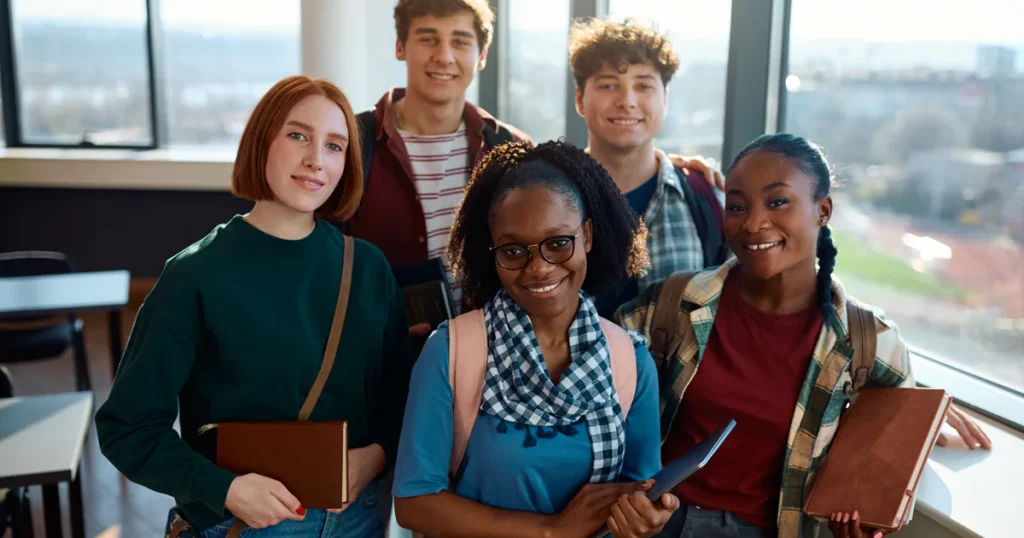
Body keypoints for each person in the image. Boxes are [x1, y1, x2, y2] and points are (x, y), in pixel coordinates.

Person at [616, 134, 991, 538]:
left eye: (777, 202)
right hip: (657, 524)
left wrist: (866, 520)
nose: (754, 222)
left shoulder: (867, 340)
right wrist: (621, 500)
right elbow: (593, 422)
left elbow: (889, 457)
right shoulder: (670, 306)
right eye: (738, 205)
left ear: (823, 210)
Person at [95, 75, 414, 538]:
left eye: (335, 146)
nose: (315, 160)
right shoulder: (194, 275)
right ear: (262, 140)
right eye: (298, 135)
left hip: (357, 517)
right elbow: (127, 427)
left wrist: (378, 453)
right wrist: (223, 488)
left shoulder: (367, 267)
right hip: (240, 523)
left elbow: (399, 394)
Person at [391, 141, 678, 538]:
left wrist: (646, 518)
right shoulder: (452, 352)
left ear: (588, 235)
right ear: (492, 254)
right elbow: (414, 502)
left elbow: (637, 494)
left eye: (558, 243)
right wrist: (551, 531)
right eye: (513, 251)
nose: (539, 268)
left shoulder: (629, 361)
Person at [345, 0, 531, 327]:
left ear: (482, 56)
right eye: (428, 38)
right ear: (400, 47)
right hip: (377, 360)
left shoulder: (512, 149)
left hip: (489, 359)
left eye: (460, 41)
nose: (444, 56)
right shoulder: (351, 143)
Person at [568, 18, 731, 318]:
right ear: (580, 99)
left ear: (665, 100)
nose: (627, 101)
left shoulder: (703, 196)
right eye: (608, 85)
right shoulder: (552, 196)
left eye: (643, 86)